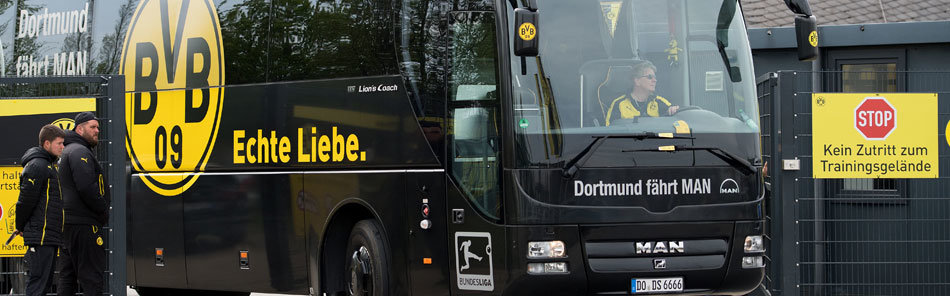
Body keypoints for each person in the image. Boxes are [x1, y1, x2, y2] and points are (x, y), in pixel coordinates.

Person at [58, 112, 110, 296]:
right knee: (92, 278)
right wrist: (102, 210)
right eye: (92, 127)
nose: (97, 131)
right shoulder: (79, 152)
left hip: (70, 224)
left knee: (67, 276)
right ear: (79, 128)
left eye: (98, 127)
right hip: (84, 225)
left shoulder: (69, 150)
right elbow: (86, 186)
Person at [15, 124, 66, 296]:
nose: (62, 147)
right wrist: (20, 226)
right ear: (46, 144)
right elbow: (24, 201)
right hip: (41, 236)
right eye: (59, 143)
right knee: (38, 284)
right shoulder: (38, 166)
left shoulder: (49, 165)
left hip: (48, 236)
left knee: (43, 285)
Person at [605, 61, 680, 126]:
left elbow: (675, 113)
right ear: (637, 81)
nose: (654, 80)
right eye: (650, 77)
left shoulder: (658, 101)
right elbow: (609, 133)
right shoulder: (618, 104)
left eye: (655, 77)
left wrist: (673, 110)